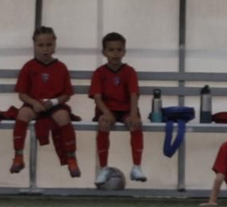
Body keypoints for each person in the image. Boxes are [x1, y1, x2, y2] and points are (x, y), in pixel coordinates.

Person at [10, 26, 80, 178]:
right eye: (41, 45)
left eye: (49, 45)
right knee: (22, 113)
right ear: (34, 45)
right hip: (34, 103)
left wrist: (54, 102)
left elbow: (66, 95)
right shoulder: (29, 67)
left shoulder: (61, 67)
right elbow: (22, 94)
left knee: (63, 117)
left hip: (54, 105)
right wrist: (34, 103)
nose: (45, 49)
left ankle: (71, 158)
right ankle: (18, 156)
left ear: (55, 44)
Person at [88, 31, 146, 183]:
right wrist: (106, 113)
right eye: (111, 50)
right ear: (104, 52)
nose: (115, 53)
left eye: (119, 50)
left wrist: (134, 114)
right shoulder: (99, 72)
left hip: (126, 110)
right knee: (104, 123)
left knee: (136, 124)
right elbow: (97, 97)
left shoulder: (129, 71)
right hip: (107, 110)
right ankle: (103, 168)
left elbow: (134, 94)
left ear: (124, 51)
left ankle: (137, 167)